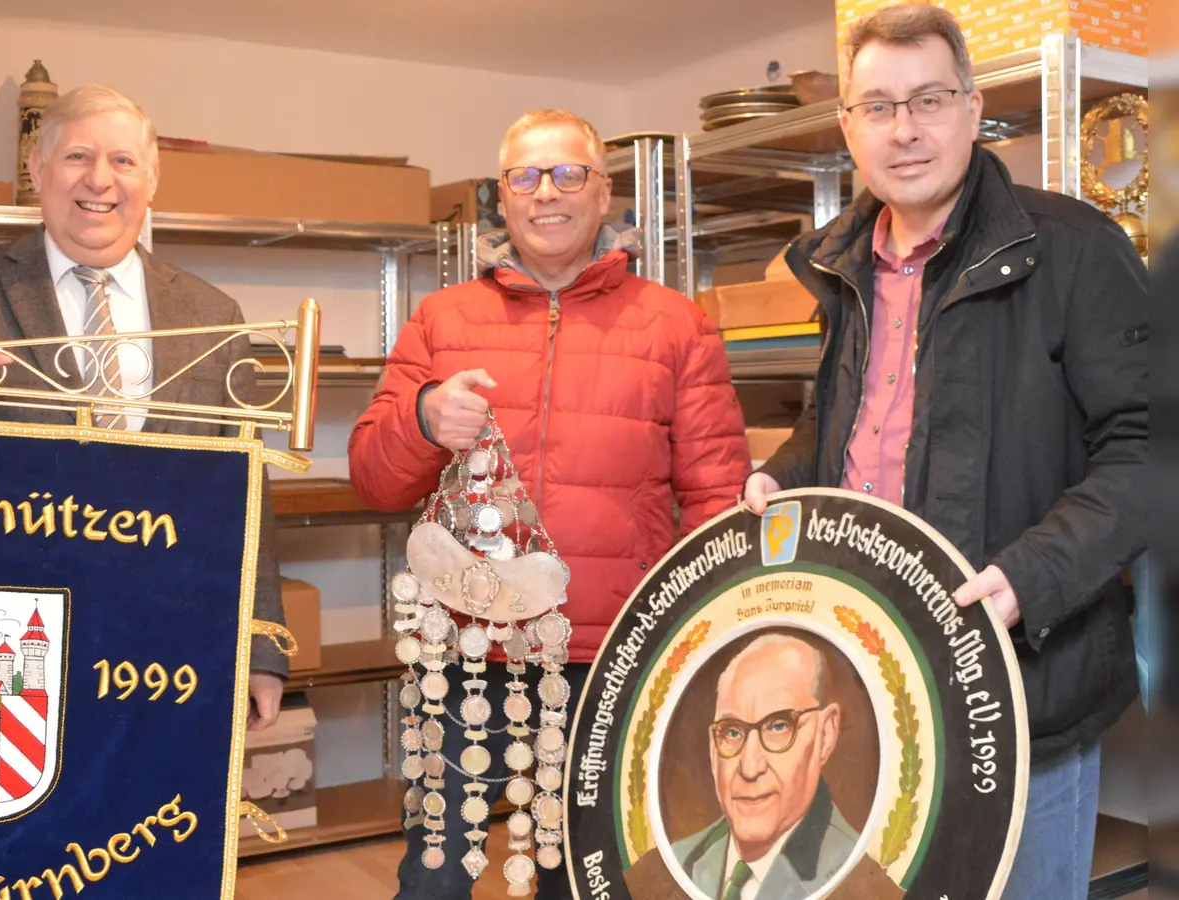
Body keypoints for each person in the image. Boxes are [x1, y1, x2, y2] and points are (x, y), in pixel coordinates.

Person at [741, 6, 1148, 899]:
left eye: (928, 98)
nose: (905, 128)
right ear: (848, 126)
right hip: (880, 670)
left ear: (973, 109)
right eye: (878, 106)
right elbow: (862, 422)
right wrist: (789, 468)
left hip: (1024, 682)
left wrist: (1032, 576)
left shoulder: (1074, 249)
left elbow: (1150, 449)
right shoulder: (843, 264)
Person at [349, 108, 751, 899]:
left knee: (587, 874)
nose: (547, 193)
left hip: (607, 659)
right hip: (464, 659)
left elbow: (717, 499)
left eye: (569, 174)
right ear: (503, 197)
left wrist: (700, 647)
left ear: (604, 195)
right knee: (432, 876)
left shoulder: (676, 326)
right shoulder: (442, 320)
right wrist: (424, 417)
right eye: (526, 176)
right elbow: (375, 477)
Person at [0, 84, 287, 729]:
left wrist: (261, 646)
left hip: (166, 640)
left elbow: (245, 487)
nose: (100, 179)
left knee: (152, 822)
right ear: (38, 172)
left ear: (151, 179)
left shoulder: (213, 316)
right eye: (77, 157)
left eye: (123, 161)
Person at [623, 634, 901, 899]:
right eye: (731, 732)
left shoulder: (863, 880)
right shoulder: (677, 863)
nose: (750, 766)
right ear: (712, 749)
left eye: (779, 726)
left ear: (825, 735)